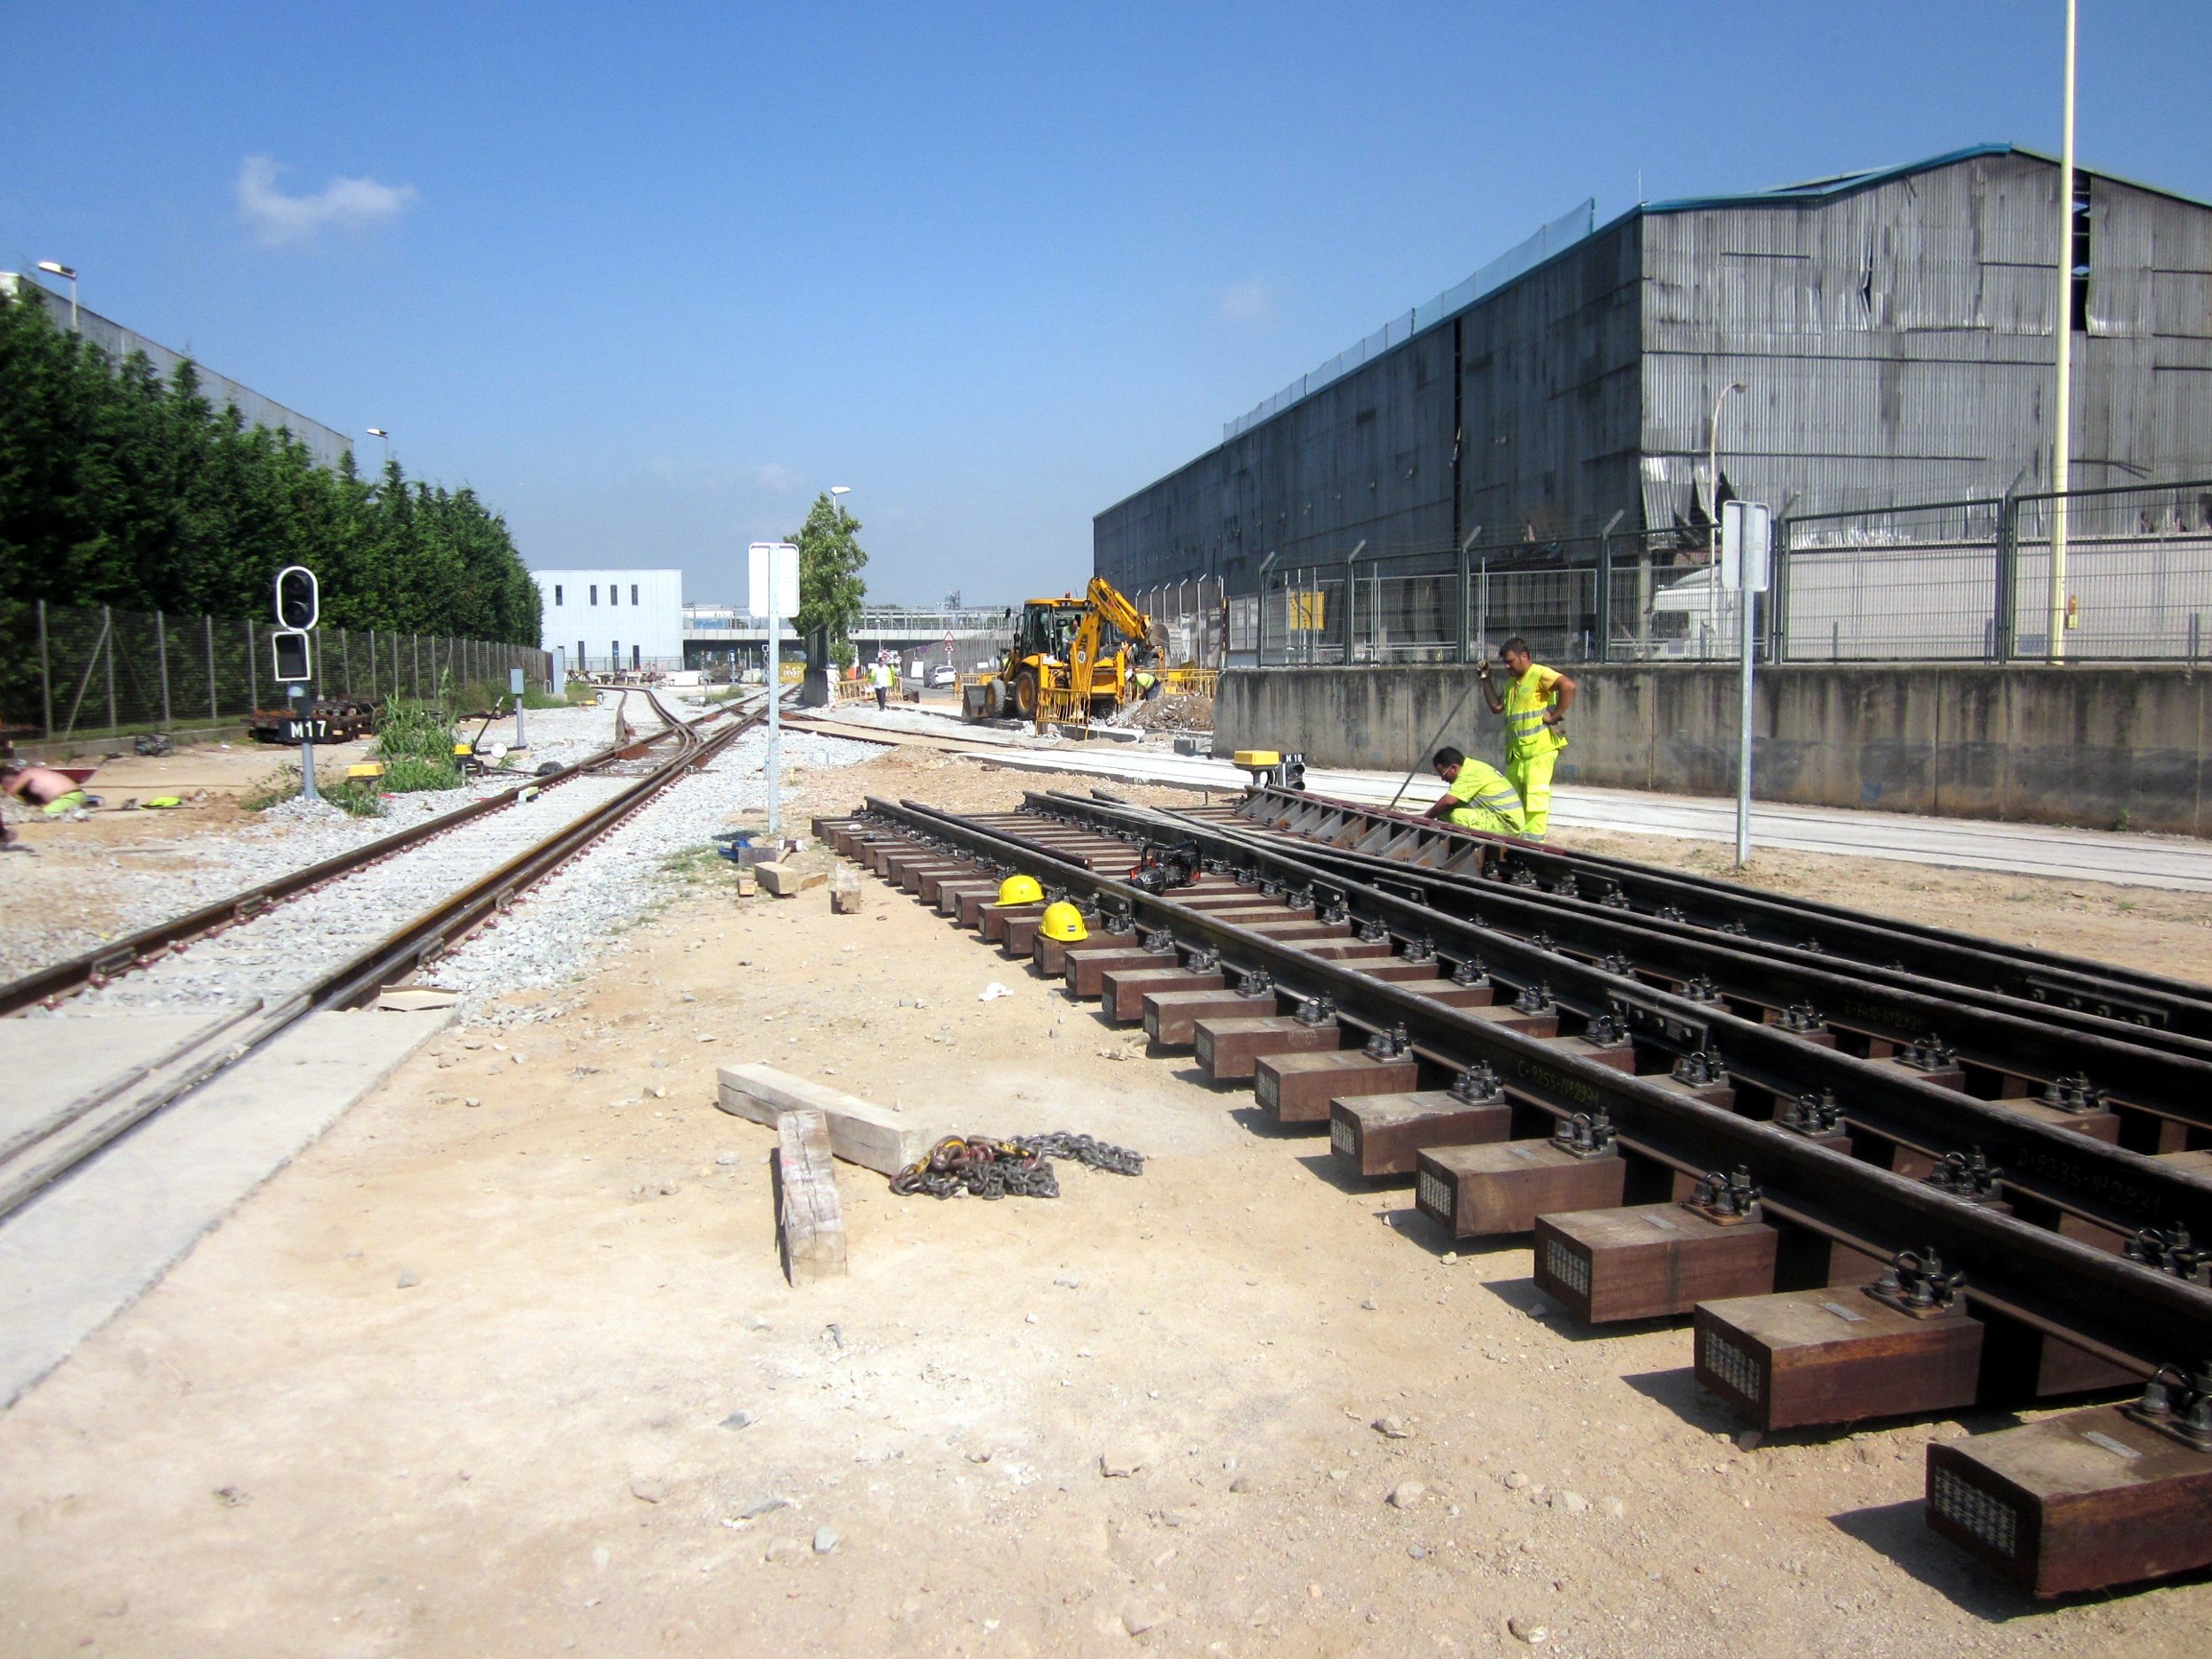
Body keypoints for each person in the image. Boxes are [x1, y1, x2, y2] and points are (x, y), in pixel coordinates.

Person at [1478, 636, 1575, 840]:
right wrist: (1485, 679)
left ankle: (1533, 842)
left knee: (1535, 797)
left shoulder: (1539, 674)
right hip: (1517, 755)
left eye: (1510, 661)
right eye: (1505, 662)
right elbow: (1496, 707)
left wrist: (1554, 715)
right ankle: (1516, 838)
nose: (1507, 666)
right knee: (1512, 799)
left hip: (1539, 752)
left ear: (1524, 657)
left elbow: (1569, 686)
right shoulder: (1513, 683)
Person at [1424, 746, 1525, 834]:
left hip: (1507, 823)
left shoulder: (1470, 773)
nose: (1443, 779)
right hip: (1502, 818)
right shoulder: (1472, 767)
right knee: (1443, 813)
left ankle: (1466, 850)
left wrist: (1424, 819)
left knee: (1458, 816)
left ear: (1454, 768)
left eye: (1443, 774)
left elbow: (1449, 801)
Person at [2, 761, 90, 848]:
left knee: (41, 815)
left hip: (69, 797)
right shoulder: (35, 774)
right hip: (75, 796)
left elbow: (10, 793)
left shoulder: (27, 773)